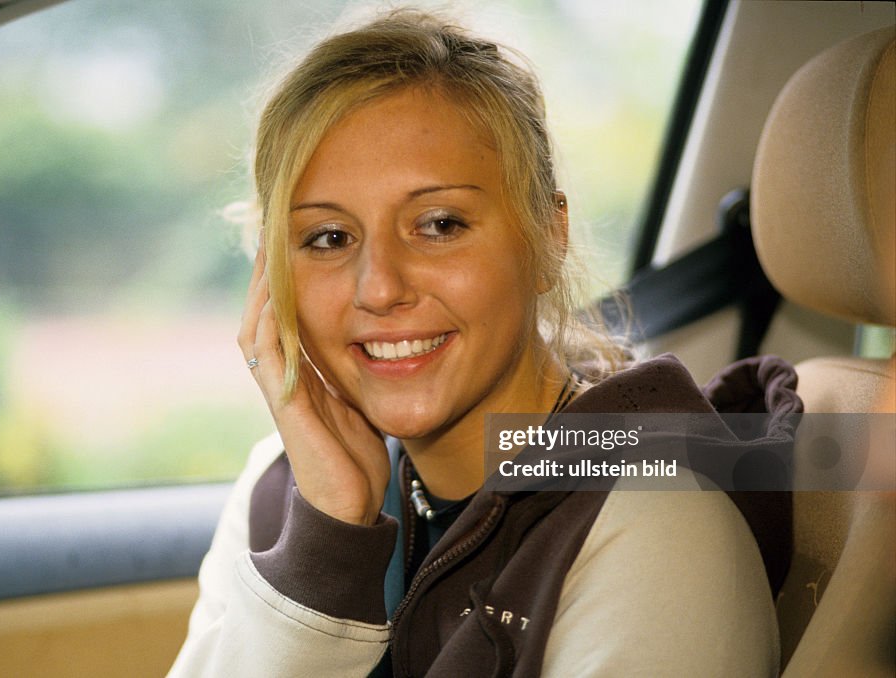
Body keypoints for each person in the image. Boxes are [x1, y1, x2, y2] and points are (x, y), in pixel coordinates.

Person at [169, 8, 799, 677]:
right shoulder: (286, 484)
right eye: (328, 237)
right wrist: (326, 544)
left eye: (438, 224)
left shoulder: (659, 528)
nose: (379, 288)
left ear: (547, 238)